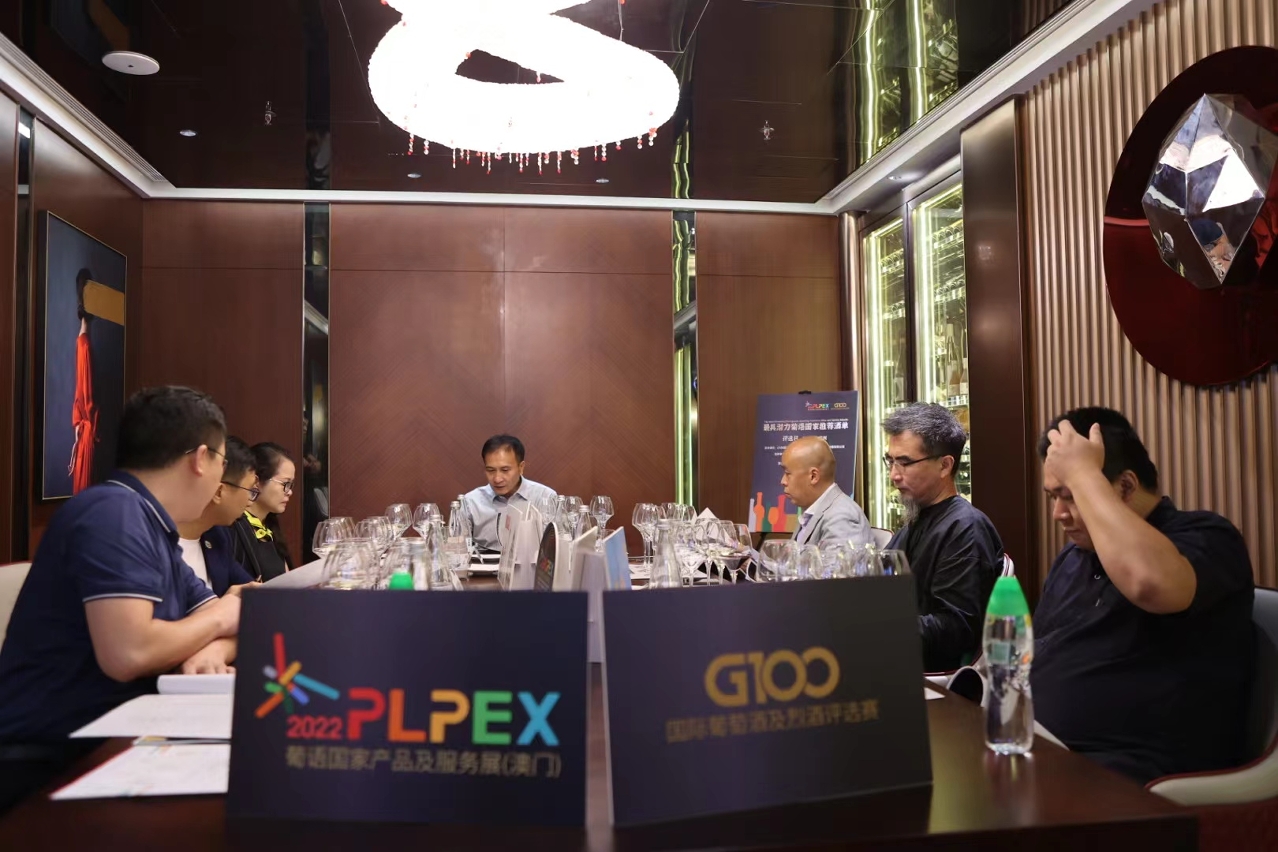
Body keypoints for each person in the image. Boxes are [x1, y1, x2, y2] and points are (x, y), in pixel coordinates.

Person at [0, 386, 241, 811]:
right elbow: (129, 653)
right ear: (201, 458)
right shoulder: (113, 513)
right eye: (223, 462)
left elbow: (233, 615)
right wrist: (221, 619)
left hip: (115, 741)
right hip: (47, 762)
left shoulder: (155, 528)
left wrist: (211, 647)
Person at [1032, 407, 1255, 783]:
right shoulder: (1074, 557)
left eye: (1070, 496)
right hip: (1042, 752)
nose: (1058, 513)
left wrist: (1084, 474)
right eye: (1052, 497)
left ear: (1126, 486)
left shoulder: (1207, 537)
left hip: (1140, 777)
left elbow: (1149, 584)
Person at [882, 403, 1002, 673]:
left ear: (945, 465)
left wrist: (877, 626)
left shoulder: (965, 529)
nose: (894, 475)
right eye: (890, 461)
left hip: (931, 676)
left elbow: (956, 628)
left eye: (905, 463)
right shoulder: (918, 519)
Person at [176, 436, 259, 596]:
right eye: (250, 491)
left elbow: (251, 588)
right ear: (219, 492)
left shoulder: (217, 536)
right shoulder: (153, 539)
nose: (250, 501)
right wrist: (222, 606)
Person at [463, 434, 556, 551]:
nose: (497, 479)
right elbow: (457, 549)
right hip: (483, 561)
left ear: (521, 467)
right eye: (490, 470)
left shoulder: (545, 497)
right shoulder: (471, 502)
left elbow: (554, 548)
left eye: (505, 470)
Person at [780, 436, 872, 549]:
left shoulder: (841, 518)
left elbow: (840, 561)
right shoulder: (813, 511)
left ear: (813, 476)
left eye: (787, 473)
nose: (783, 481)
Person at [231, 443, 296, 581]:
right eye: (285, 484)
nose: (289, 492)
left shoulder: (269, 526)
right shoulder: (233, 525)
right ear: (256, 481)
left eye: (291, 485)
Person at [68, 268, 97, 494]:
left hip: (84, 432)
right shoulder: (84, 345)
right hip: (87, 434)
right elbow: (87, 400)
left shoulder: (82, 343)